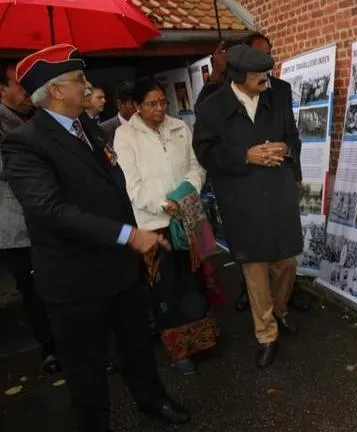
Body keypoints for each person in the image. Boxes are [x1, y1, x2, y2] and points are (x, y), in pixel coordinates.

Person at [1, 44, 189, 431]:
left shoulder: (86, 126)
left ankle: (152, 400)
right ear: (55, 91)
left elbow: (111, 186)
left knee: (137, 345)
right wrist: (128, 234)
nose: (87, 86)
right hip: (74, 280)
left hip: (119, 268)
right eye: (79, 80)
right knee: (86, 367)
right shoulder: (24, 144)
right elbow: (49, 210)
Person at [193, 44, 301, 368]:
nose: (266, 80)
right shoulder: (211, 109)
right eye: (258, 76)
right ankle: (266, 334)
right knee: (254, 270)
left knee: (286, 263)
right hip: (241, 199)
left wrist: (286, 148)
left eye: (267, 73)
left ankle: (280, 309)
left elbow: (294, 137)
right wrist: (246, 156)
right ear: (238, 78)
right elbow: (205, 154)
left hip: (278, 193)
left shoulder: (278, 95)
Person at [114, 77, 218, 375]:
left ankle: (204, 340)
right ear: (137, 106)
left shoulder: (179, 127)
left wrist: (185, 192)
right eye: (151, 104)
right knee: (167, 290)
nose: (160, 108)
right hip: (155, 224)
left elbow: (196, 167)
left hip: (188, 213)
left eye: (162, 102)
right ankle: (179, 350)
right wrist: (164, 204)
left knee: (195, 281)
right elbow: (131, 186)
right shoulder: (125, 136)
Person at [0, 60, 61, 372]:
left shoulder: (30, 116)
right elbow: (10, 168)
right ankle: (50, 349)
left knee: (56, 284)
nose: (25, 92)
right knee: (35, 291)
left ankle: (66, 342)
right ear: (2, 90)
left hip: (43, 219)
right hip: (17, 227)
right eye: (18, 84)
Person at [99, 80, 135, 145]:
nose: (137, 108)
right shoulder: (104, 129)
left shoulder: (147, 123)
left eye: (139, 103)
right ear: (119, 104)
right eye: (132, 104)